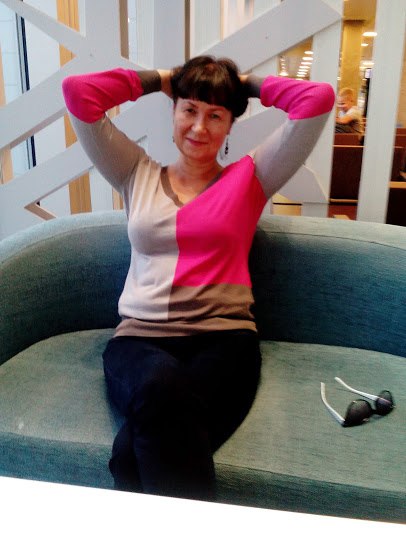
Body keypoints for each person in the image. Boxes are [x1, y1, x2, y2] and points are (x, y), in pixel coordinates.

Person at [62, 56, 335, 501]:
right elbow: (79, 93)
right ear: (173, 111)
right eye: (189, 109)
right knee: (158, 386)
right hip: (138, 341)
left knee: (131, 454)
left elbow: (317, 99)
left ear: (229, 126)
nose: (199, 127)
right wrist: (163, 79)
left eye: (216, 115)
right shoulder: (134, 172)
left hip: (223, 343)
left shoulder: (251, 178)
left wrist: (243, 85)